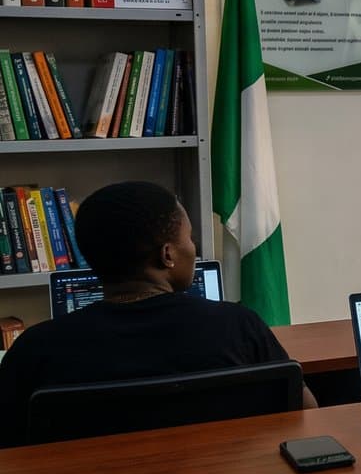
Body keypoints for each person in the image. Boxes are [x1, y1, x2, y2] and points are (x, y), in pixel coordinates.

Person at [0, 181, 303, 447]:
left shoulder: (35, 349)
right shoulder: (239, 326)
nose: (193, 247)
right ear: (167, 254)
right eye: (190, 237)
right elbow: (301, 410)